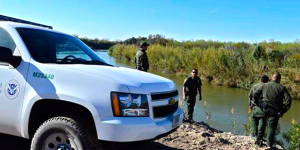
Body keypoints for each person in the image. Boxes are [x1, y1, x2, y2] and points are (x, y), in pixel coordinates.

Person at [254, 72, 292, 148]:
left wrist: (258, 104)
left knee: (262, 123)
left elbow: (255, 94)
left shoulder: (265, 85)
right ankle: (269, 144)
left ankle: (259, 140)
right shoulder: (282, 88)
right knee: (271, 128)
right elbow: (289, 100)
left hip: (264, 108)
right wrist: (283, 111)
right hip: (275, 111)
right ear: (279, 79)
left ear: (272, 78)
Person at [248, 75, 269, 144]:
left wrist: (250, 104)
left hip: (255, 105)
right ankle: (260, 137)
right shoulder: (268, 87)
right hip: (264, 106)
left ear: (260, 79)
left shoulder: (255, 86)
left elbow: (250, 95)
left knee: (254, 118)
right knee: (262, 121)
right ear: (267, 81)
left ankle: (254, 134)